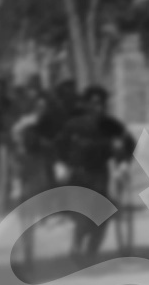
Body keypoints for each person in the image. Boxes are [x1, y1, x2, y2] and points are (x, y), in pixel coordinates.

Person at [58, 85, 135, 256]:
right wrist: (61, 164)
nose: (98, 108)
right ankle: (77, 242)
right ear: (87, 105)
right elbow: (60, 145)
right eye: (94, 104)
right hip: (78, 175)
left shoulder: (111, 125)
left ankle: (91, 252)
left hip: (100, 175)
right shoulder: (74, 125)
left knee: (103, 216)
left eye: (101, 104)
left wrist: (123, 162)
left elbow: (129, 143)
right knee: (83, 216)